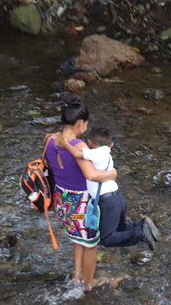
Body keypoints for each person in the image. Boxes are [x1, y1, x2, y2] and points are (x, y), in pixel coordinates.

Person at [44, 98, 118, 290]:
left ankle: (76, 275)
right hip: (81, 204)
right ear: (79, 123)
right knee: (90, 244)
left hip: (62, 201)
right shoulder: (80, 146)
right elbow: (91, 175)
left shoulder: (49, 139)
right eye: (85, 123)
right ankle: (88, 285)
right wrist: (112, 173)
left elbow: (52, 168)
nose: (86, 127)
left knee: (78, 239)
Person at [55, 126, 160, 250]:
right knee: (119, 230)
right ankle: (141, 224)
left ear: (89, 142)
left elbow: (78, 154)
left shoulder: (95, 153)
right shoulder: (107, 155)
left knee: (107, 238)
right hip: (117, 199)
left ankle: (141, 232)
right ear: (111, 145)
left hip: (107, 202)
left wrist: (65, 144)